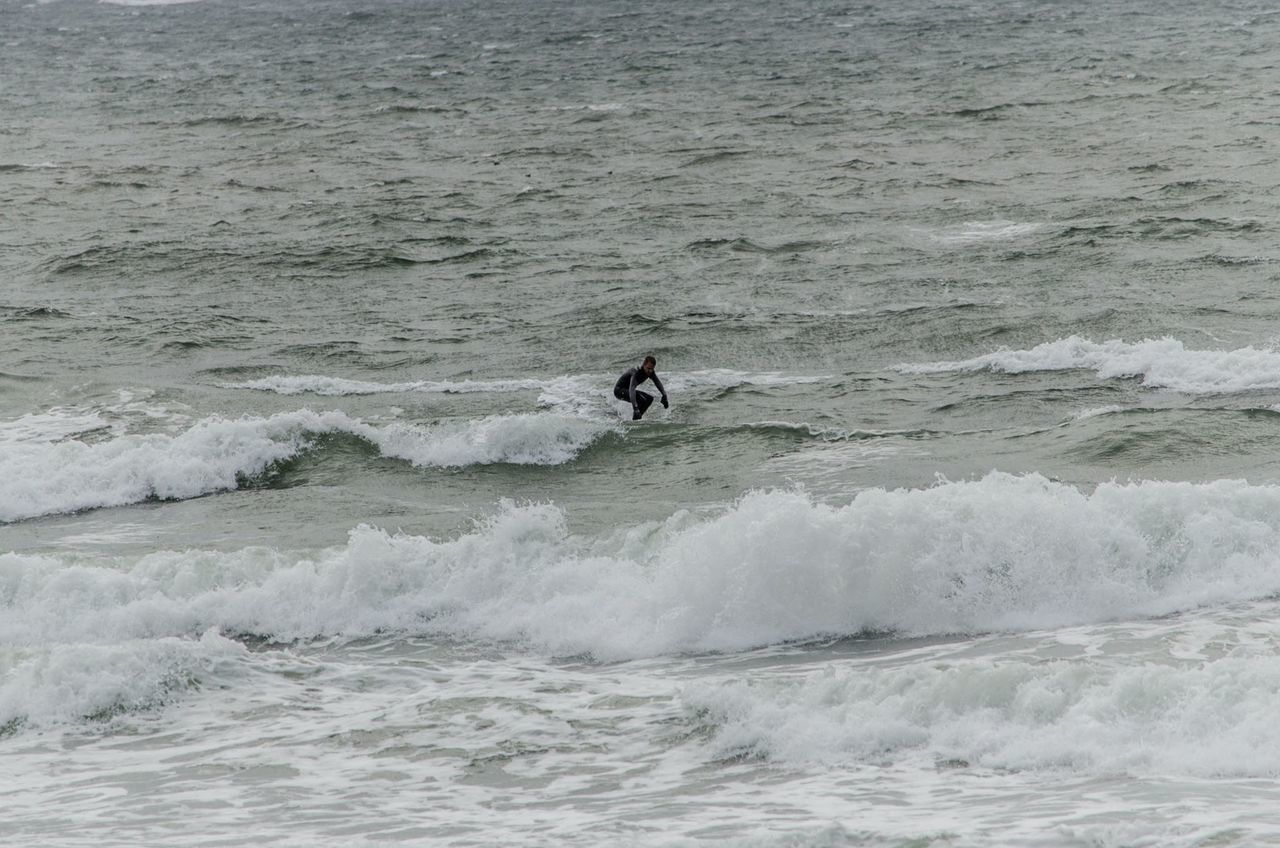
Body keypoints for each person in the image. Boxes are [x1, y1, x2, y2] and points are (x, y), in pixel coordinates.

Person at [613, 355, 669, 420]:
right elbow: (632, 389)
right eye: (648, 368)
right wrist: (635, 408)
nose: (650, 371)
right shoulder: (636, 372)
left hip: (628, 390)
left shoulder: (650, 372)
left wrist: (664, 395)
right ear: (644, 365)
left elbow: (657, 382)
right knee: (641, 400)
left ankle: (637, 418)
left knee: (649, 399)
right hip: (619, 391)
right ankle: (635, 419)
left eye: (652, 369)